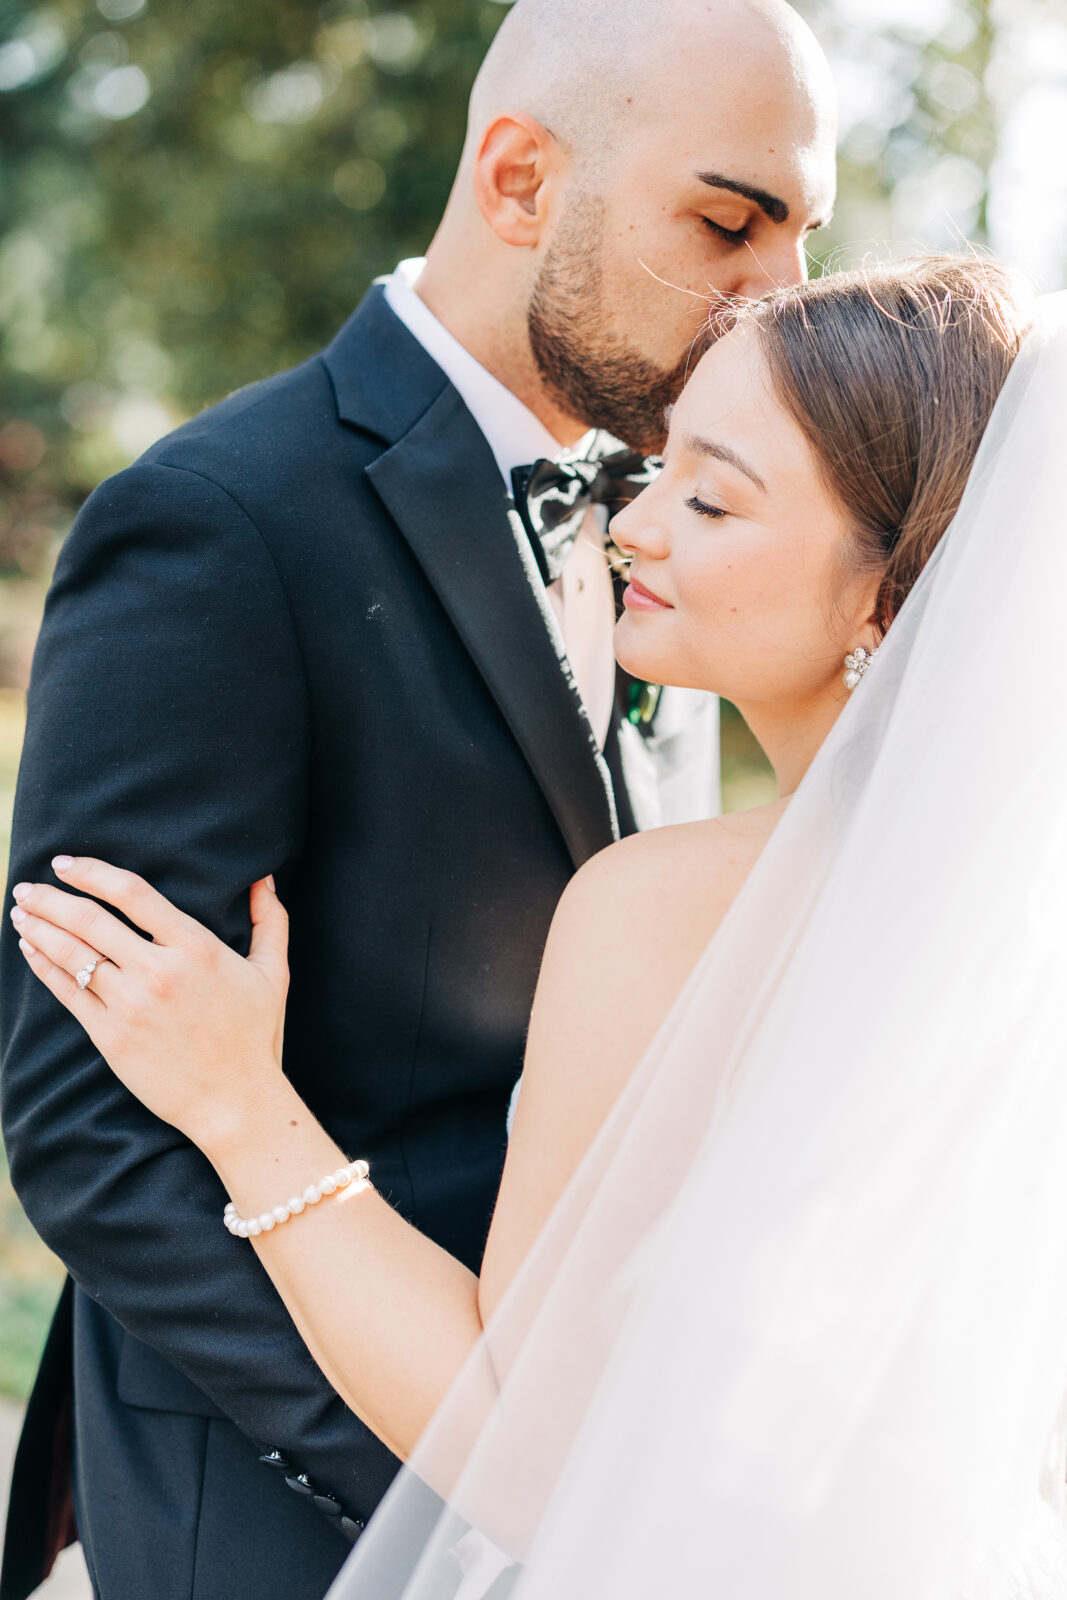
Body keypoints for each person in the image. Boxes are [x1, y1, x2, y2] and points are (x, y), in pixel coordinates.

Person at [13, 254, 1067, 1600]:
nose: (633, 530)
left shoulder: (671, 911)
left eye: (713, 498)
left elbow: (525, 1460)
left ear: (892, 589)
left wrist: (239, 1108)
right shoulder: (1020, 928)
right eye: (657, 473)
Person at [0, 2, 837, 1597]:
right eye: (732, 221)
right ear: (520, 181)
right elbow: (90, 1128)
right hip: (296, 1518)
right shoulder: (218, 526)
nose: (776, 297)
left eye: (801, 234)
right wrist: (469, 1481)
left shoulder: (681, 549)